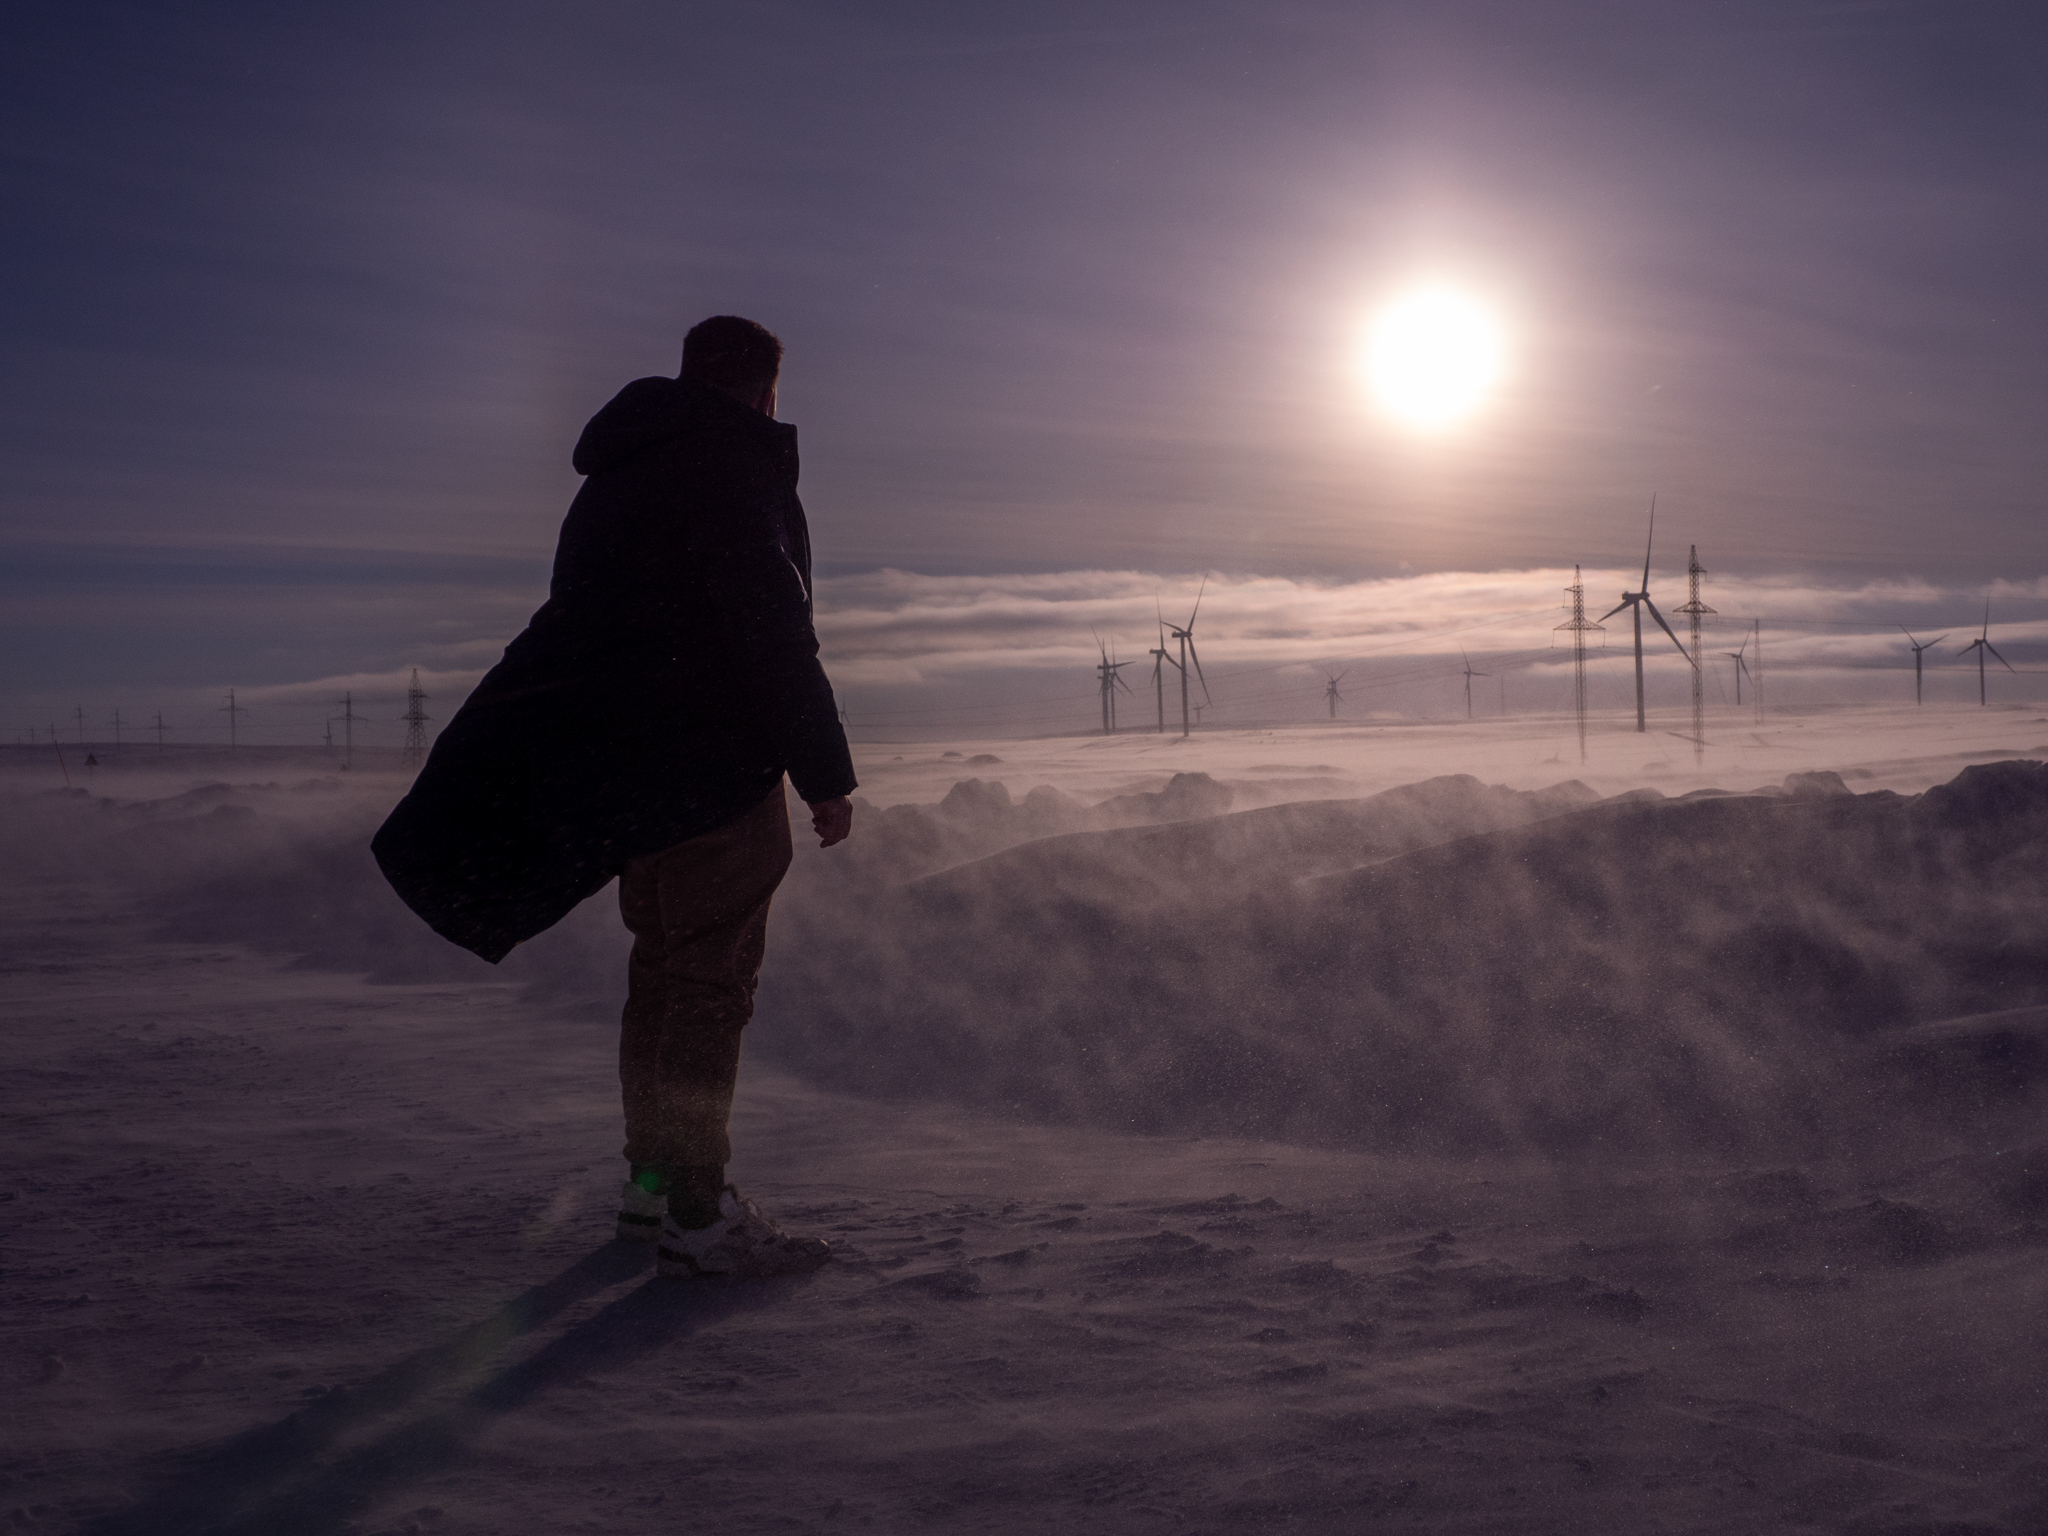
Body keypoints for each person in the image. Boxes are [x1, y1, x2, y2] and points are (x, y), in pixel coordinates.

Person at [373, 315, 856, 1279]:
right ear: (764, 389)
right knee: (709, 991)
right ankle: (697, 1208)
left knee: (660, 982)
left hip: (632, 788)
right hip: (712, 781)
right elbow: (770, 629)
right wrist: (827, 774)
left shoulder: (617, 479)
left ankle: (648, 1196)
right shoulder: (731, 466)